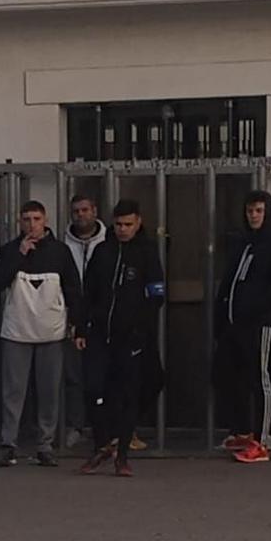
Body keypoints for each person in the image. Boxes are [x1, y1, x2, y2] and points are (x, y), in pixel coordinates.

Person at [0, 200, 83, 467]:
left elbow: (73, 288)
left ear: (46, 220)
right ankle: (8, 443)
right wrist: (19, 255)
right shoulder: (9, 250)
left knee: (50, 390)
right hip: (16, 331)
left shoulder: (60, 252)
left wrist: (77, 324)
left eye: (36, 219)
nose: (32, 225)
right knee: (13, 391)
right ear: (20, 222)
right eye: (27, 219)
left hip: (51, 332)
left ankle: (45, 444)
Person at [79, 200, 166, 477]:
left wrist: (141, 327)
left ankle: (122, 455)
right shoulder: (102, 251)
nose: (123, 230)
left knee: (129, 394)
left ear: (138, 222)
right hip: (100, 334)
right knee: (94, 389)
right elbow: (87, 292)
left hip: (131, 337)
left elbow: (157, 294)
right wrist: (82, 327)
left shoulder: (147, 253)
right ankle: (104, 444)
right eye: (118, 224)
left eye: (128, 224)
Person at [214, 189, 271, 464]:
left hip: (262, 323)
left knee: (261, 379)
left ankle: (263, 440)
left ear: (269, 212)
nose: (253, 216)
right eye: (250, 211)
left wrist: (252, 308)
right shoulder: (244, 244)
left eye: (259, 211)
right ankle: (243, 430)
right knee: (233, 376)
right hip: (235, 325)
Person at [60, 194, 107, 448]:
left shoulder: (108, 240)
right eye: (76, 211)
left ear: (95, 211)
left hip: (102, 318)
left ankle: (108, 428)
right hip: (70, 317)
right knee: (73, 376)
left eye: (85, 210)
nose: (81, 215)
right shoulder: (62, 244)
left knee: (104, 376)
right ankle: (76, 425)